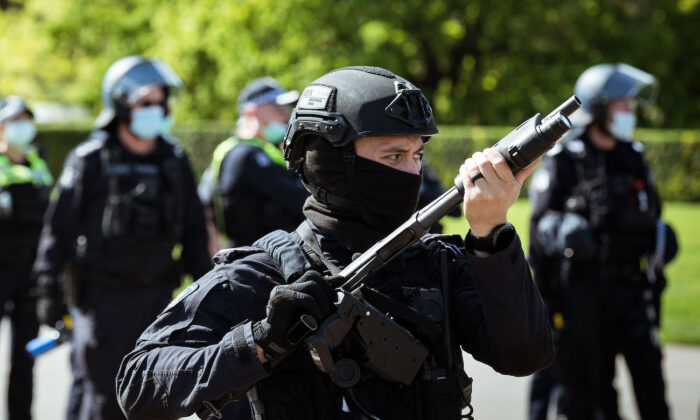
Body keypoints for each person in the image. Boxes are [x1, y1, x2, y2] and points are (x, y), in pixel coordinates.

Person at [117, 66, 554, 420]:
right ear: (329, 161)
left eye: (417, 155)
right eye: (392, 156)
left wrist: (491, 236)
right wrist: (262, 341)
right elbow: (137, 384)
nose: (410, 172)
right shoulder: (260, 273)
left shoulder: (438, 263)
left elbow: (524, 355)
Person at [32, 55, 213, 420]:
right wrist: (47, 291)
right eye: (146, 102)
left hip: (158, 302)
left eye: (162, 102)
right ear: (120, 103)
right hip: (101, 305)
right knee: (104, 400)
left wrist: (211, 295)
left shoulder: (174, 161)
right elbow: (58, 232)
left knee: (157, 400)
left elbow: (194, 234)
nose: (157, 109)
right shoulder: (90, 160)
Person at [528, 63, 678, 420]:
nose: (631, 112)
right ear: (598, 107)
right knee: (587, 393)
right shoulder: (565, 159)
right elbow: (539, 227)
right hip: (583, 295)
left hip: (632, 290)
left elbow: (651, 211)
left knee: (652, 386)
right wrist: (562, 227)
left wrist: (661, 236)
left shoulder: (634, 155)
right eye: (623, 104)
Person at [199, 77, 309, 250]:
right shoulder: (245, 156)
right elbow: (302, 199)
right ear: (251, 111)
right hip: (258, 260)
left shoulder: (243, 150)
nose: (286, 115)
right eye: (277, 107)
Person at [0, 96, 52, 420]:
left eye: (26, 118)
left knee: (25, 359)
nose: (23, 125)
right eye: (15, 119)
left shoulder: (38, 162)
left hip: (29, 272)